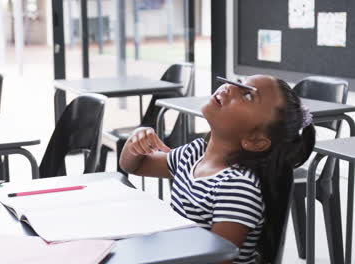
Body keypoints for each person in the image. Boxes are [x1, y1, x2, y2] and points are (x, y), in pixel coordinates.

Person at [119, 75, 315, 264]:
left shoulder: (237, 187)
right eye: (238, 82)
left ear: (254, 141)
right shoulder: (194, 154)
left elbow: (217, 258)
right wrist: (135, 142)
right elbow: (135, 166)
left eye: (248, 95)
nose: (230, 86)